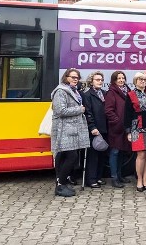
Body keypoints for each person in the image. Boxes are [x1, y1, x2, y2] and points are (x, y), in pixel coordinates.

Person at [51, 68, 89, 197]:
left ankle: (61, 183)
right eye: (72, 77)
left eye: (77, 77)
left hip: (71, 129)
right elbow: (60, 111)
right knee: (71, 156)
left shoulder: (74, 91)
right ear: (66, 77)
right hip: (63, 129)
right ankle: (61, 184)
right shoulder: (61, 91)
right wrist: (79, 109)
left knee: (65, 156)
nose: (75, 79)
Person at [126, 72, 146, 192]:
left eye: (144, 79)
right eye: (140, 79)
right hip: (137, 128)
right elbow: (127, 114)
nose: (143, 81)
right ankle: (139, 180)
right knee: (141, 155)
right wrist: (128, 131)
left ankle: (145, 179)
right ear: (135, 81)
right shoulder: (131, 94)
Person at [105, 70, 131, 188]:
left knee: (122, 152)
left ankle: (120, 175)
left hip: (125, 128)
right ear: (114, 80)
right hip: (116, 128)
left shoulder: (128, 91)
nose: (121, 80)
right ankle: (114, 178)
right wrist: (117, 122)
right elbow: (108, 110)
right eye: (118, 78)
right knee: (115, 152)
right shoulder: (111, 92)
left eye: (123, 78)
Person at [82, 71, 107, 189]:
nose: (100, 82)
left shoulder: (105, 93)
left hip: (105, 128)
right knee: (93, 156)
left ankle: (98, 177)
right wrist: (92, 127)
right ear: (91, 81)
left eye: (101, 80)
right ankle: (91, 179)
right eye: (97, 80)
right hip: (95, 129)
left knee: (102, 154)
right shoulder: (87, 95)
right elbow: (88, 113)